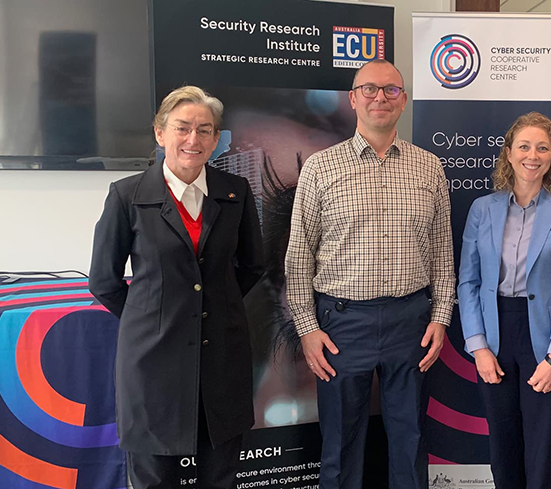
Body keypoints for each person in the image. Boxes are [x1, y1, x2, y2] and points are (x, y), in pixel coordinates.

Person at [285, 59, 455, 489]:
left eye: (391, 90)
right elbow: (299, 253)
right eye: (369, 89)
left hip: (411, 323)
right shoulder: (320, 168)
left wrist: (440, 316)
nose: (380, 97)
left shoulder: (428, 167)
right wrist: (306, 328)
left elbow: (441, 251)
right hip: (342, 325)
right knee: (339, 446)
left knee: (411, 440)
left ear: (403, 100)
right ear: (353, 99)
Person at [89, 86, 264, 489]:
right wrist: (155, 316)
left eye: (205, 130)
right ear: (159, 133)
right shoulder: (127, 195)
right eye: (182, 128)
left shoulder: (235, 192)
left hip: (221, 360)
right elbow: (104, 281)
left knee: (221, 477)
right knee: (154, 480)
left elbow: (252, 266)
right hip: (153, 366)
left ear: (217, 140)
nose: (193, 139)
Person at [457, 112, 551, 489]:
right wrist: (478, 348)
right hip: (495, 335)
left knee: (544, 451)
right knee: (503, 446)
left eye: (542, 148)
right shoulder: (483, 208)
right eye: (525, 146)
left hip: (546, 339)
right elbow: (468, 282)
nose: (533, 155)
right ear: (509, 154)